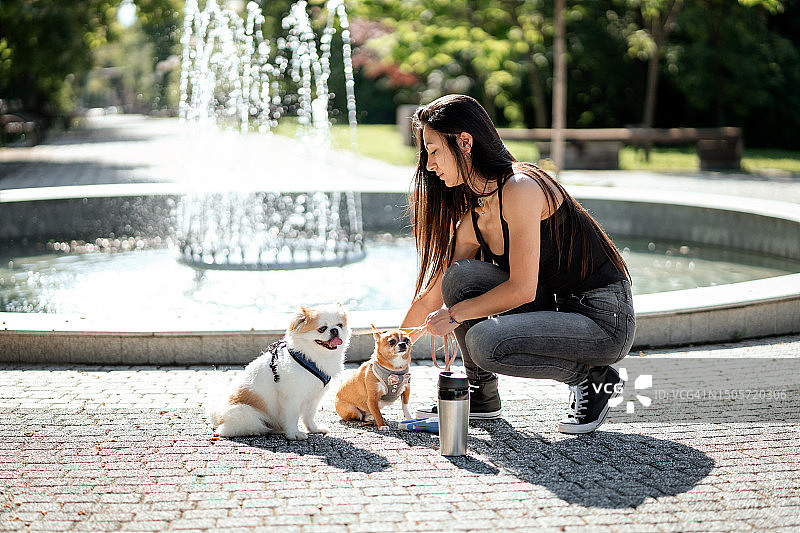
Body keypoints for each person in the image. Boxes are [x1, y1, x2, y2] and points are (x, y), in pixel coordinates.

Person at [400, 94, 636, 434]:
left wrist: (455, 315)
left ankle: (592, 378)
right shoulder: (476, 217)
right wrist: (387, 363)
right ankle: (481, 396)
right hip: (557, 310)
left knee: (485, 342)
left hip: (602, 320)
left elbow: (522, 289)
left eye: (434, 150)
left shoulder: (521, 188)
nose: (428, 165)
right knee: (459, 277)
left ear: (465, 142)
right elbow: (431, 296)